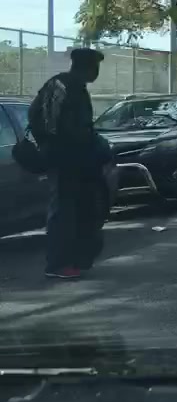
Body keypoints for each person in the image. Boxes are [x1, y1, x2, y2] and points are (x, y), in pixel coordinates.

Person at [28, 47, 112, 280]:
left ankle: (77, 259)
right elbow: (50, 125)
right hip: (64, 160)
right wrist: (63, 146)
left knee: (83, 209)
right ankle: (58, 264)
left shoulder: (77, 88)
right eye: (95, 67)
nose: (97, 72)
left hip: (80, 161)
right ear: (86, 67)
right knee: (63, 211)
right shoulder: (60, 86)